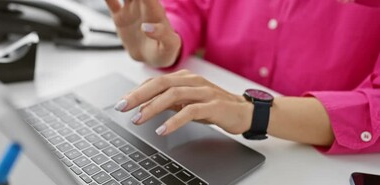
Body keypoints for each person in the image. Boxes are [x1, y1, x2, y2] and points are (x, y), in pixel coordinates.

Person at [105, 0, 380, 154]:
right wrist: (168, 42)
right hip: (206, 141)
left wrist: (254, 113)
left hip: (316, 171)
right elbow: (190, 6)